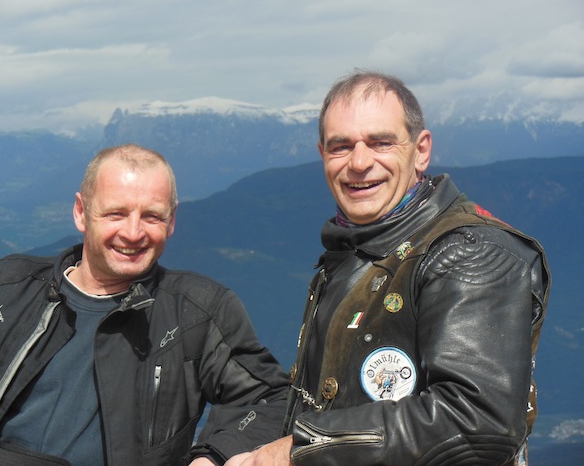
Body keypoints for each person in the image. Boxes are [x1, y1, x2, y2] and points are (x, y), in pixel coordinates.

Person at [229, 70, 551, 466]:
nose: (359, 162)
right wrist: (219, 451)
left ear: (421, 150)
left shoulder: (470, 253)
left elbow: (476, 421)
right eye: (341, 146)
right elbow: (312, 399)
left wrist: (299, 449)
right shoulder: (358, 246)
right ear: (322, 154)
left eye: (380, 142)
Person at [0, 144, 288, 466]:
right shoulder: (0, 290)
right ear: (81, 212)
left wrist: (212, 456)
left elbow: (273, 400)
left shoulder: (198, 313)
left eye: (152, 216)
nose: (133, 233)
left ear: (172, 221)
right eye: (116, 214)